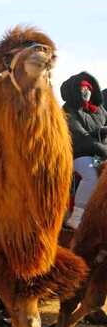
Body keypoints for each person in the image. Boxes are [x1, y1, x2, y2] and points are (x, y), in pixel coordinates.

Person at [61, 72, 107, 229]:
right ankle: (76, 216)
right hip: (77, 155)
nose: (86, 91)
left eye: (88, 88)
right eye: (82, 88)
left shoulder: (99, 111)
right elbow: (81, 137)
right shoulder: (68, 111)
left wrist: (103, 132)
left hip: (97, 154)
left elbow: (98, 132)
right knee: (91, 175)